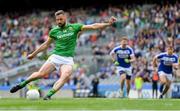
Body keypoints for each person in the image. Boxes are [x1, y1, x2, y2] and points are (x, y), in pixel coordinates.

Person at [10, 10, 117, 100]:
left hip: (68, 59)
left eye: (61, 19)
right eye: (57, 20)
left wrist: (107, 23)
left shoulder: (74, 27)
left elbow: (93, 26)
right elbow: (46, 44)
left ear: (65, 18)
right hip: (55, 57)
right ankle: (22, 84)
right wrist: (33, 54)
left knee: (65, 76)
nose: (59, 21)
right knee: (40, 74)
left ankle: (48, 95)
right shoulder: (54, 31)